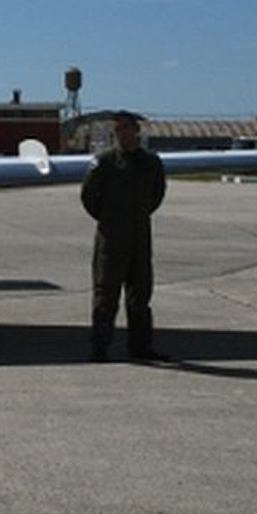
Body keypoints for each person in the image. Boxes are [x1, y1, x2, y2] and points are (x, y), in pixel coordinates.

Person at [80, 111, 167, 362]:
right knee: (105, 295)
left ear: (136, 130)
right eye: (117, 129)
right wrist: (110, 219)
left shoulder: (151, 162)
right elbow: (88, 197)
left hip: (140, 237)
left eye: (126, 128)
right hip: (111, 239)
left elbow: (157, 194)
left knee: (140, 295)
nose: (121, 133)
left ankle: (141, 347)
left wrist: (137, 217)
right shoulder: (104, 162)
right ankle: (99, 347)